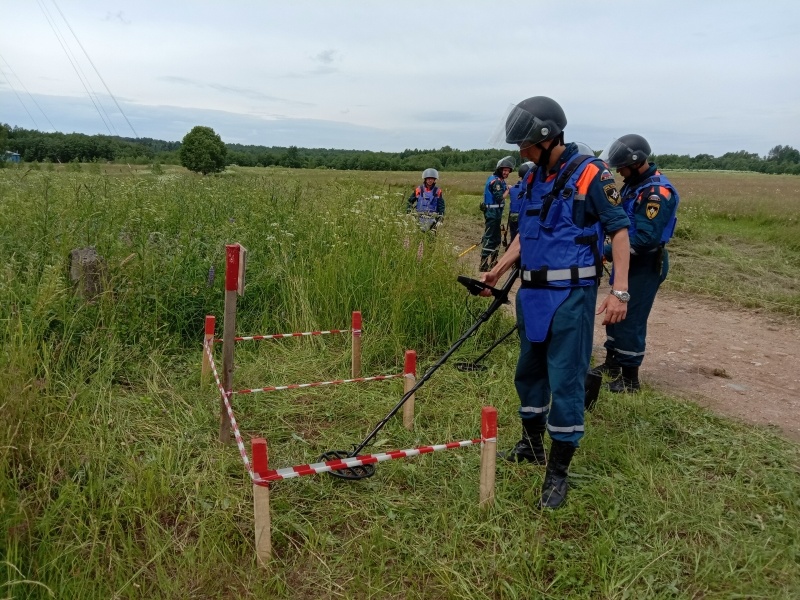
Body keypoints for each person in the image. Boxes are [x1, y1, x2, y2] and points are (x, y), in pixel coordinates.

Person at [481, 96, 631, 509]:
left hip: (572, 295)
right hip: (531, 295)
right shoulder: (530, 180)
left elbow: (619, 232)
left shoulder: (591, 175)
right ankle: (531, 444)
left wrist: (619, 292)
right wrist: (498, 269)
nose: (521, 151)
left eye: (526, 143)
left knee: (566, 380)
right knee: (528, 373)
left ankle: (558, 472)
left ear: (549, 138)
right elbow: (525, 235)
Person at [593, 134, 680, 392]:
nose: (619, 171)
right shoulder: (632, 185)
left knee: (630, 316)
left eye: (622, 166)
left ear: (636, 161)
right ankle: (613, 363)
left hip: (644, 263)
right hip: (627, 260)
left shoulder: (656, 193)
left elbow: (644, 237)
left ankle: (630, 379)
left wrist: (607, 251)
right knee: (615, 312)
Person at [479, 156, 514, 271]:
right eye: (504, 170)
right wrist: (508, 191)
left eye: (508, 171)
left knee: (497, 238)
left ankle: (493, 261)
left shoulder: (498, 180)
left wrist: (507, 187)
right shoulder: (497, 181)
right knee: (490, 237)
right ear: (500, 170)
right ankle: (483, 263)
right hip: (492, 213)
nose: (506, 172)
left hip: (496, 213)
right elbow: (499, 198)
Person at [407, 168, 445, 232]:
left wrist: (440, 219)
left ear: (434, 179)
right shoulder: (418, 189)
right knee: (419, 237)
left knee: (431, 238)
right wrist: (408, 213)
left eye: (432, 178)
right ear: (425, 179)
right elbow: (410, 201)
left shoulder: (438, 191)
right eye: (428, 178)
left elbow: (441, 206)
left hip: (433, 219)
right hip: (419, 218)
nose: (430, 180)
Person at [507, 161, 534, 242]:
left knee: (513, 237)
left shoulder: (512, 188)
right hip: (523, 218)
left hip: (512, 218)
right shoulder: (531, 189)